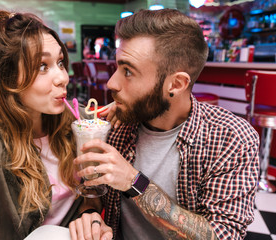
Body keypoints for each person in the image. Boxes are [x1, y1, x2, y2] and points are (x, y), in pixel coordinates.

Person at [70, 9, 259, 240]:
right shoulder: (116, 125)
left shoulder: (231, 139)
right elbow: (93, 191)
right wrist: (91, 213)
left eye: (128, 71)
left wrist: (134, 182)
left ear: (176, 84)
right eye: (117, 66)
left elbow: (223, 235)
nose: (111, 82)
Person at [0, 10, 102, 239]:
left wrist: (90, 210)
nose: (63, 77)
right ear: (8, 78)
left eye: (61, 63)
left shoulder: (77, 120)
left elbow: (92, 185)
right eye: (43, 66)